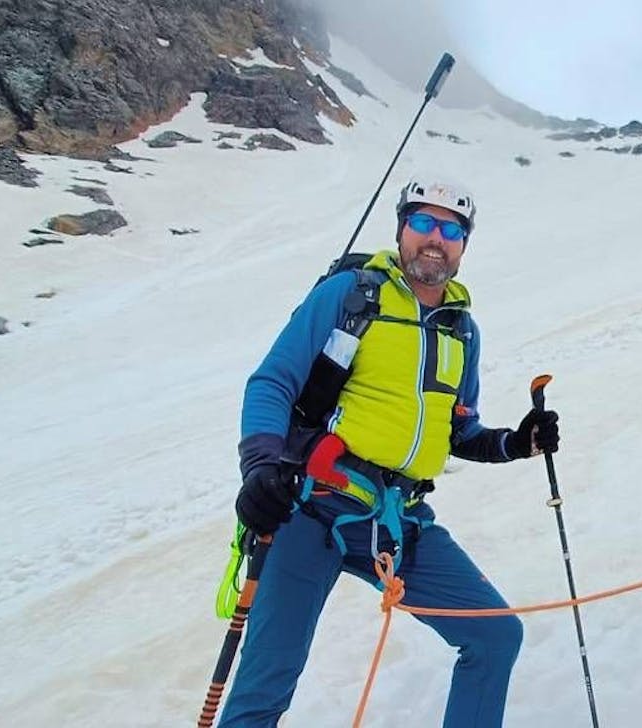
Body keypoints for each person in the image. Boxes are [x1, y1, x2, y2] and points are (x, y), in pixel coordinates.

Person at [218, 175, 560, 727]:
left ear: (464, 246)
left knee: (495, 635)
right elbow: (272, 383)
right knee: (266, 684)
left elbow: (457, 433)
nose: (435, 238)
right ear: (401, 230)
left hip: (398, 521)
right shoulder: (351, 294)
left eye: (451, 229)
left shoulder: (460, 331)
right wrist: (259, 469)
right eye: (423, 222)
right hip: (312, 506)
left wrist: (515, 443)